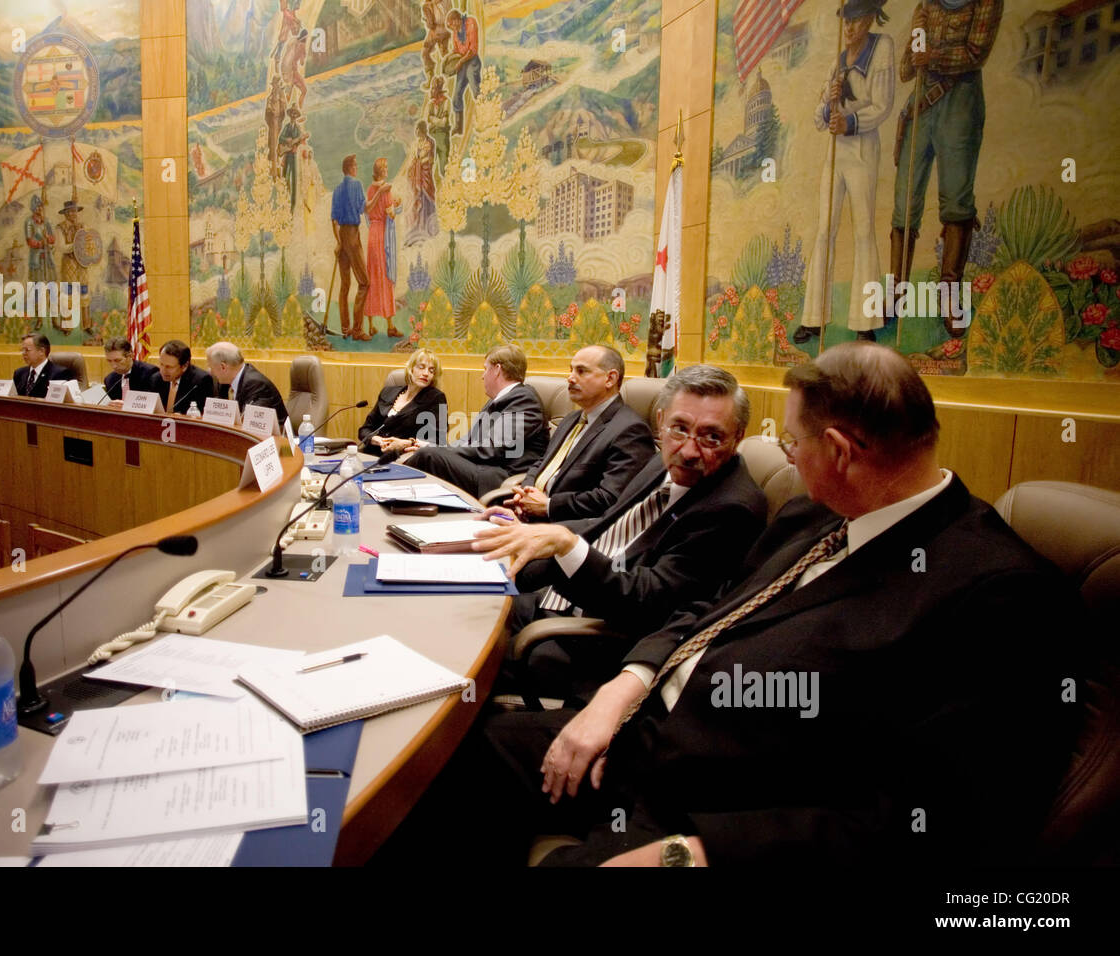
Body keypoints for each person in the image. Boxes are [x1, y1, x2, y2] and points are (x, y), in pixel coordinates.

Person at [403, 342, 1079, 866]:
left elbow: (940, 821)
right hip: (641, 734)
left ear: (839, 451)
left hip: (718, 810)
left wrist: (699, 852)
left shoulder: (999, 596)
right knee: (448, 762)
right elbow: (707, 612)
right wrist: (621, 692)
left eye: (792, 442)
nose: (783, 458)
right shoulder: (818, 515)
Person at [475, 365, 767, 700]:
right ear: (660, 421)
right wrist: (533, 532)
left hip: (594, 641)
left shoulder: (732, 509)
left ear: (738, 436)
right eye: (679, 428)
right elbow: (608, 524)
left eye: (711, 436)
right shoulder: (661, 461)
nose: (688, 451)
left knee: (465, 669)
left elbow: (648, 600)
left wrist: (566, 545)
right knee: (466, 610)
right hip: (562, 594)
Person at [890, 0, 1002, 338]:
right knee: (904, 203)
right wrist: (917, 44)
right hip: (922, 104)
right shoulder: (927, 4)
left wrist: (933, 57)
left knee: (956, 200)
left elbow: (976, 52)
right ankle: (896, 292)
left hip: (960, 103)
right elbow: (907, 70)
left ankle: (949, 297)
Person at [795, 0, 894, 344]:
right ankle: (814, 318)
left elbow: (882, 105)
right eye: (846, 21)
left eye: (857, 19)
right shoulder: (838, 63)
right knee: (825, 229)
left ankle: (865, 323)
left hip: (863, 148)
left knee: (864, 229)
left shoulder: (881, 49)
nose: (850, 27)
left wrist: (850, 121)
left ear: (870, 19)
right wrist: (828, 105)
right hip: (835, 152)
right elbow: (818, 118)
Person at [503, 346, 655, 523]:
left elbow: (611, 499)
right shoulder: (571, 419)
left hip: (568, 531)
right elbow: (542, 463)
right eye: (571, 370)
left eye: (581, 371)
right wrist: (526, 493)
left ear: (610, 378)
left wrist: (548, 506)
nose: (570, 378)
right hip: (529, 517)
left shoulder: (630, 430)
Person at [407, 345, 550, 498]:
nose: (482, 376)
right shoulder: (497, 400)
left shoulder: (525, 400)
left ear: (497, 370)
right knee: (428, 452)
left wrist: (437, 450)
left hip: (498, 476)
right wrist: (436, 446)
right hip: (482, 467)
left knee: (429, 456)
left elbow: (489, 448)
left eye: (485, 369)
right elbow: (469, 439)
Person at [359, 348, 449, 452]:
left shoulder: (436, 398)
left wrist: (406, 443)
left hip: (405, 456)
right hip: (373, 451)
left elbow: (438, 441)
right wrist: (377, 440)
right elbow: (364, 430)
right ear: (411, 369)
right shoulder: (387, 392)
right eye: (421, 367)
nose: (426, 373)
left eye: (431, 371)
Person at [331, 154, 369, 341]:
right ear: (351, 168)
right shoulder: (357, 185)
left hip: (342, 237)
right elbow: (364, 208)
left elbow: (334, 220)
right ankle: (357, 330)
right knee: (364, 282)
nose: (357, 167)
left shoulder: (337, 190)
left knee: (345, 285)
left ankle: (345, 329)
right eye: (356, 165)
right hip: (353, 235)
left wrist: (338, 242)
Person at [364, 157, 402, 339]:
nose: (387, 170)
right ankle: (390, 326)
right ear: (381, 171)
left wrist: (392, 204)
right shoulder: (385, 189)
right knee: (385, 277)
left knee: (372, 276)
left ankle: (370, 325)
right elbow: (391, 214)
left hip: (373, 233)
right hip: (382, 235)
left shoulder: (371, 189)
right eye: (385, 167)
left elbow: (370, 211)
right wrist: (397, 206)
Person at [204, 341, 288, 422]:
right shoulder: (224, 382)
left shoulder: (256, 385)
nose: (210, 372)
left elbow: (251, 423)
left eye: (211, 367)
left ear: (223, 367)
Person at [154, 340, 213, 416]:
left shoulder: (200, 381)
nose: (163, 371)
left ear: (184, 366)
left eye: (169, 367)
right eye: (161, 364)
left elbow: (203, 414)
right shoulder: (156, 378)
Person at [446, 8, 481, 135]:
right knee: (456, 96)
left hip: (472, 62)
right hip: (462, 63)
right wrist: (450, 58)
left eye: (452, 25)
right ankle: (458, 126)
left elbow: (472, 50)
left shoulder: (470, 23)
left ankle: (484, 117)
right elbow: (456, 50)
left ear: (456, 20)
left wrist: (460, 62)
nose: (452, 29)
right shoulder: (455, 32)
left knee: (476, 90)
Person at [406, 121, 439, 244]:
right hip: (418, 176)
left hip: (425, 177)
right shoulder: (417, 143)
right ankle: (418, 227)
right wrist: (414, 165)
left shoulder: (430, 142)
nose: (416, 132)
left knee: (426, 200)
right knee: (418, 200)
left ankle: (428, 228)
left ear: (422, 130)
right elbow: (415, 158)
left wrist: (418, 162)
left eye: (418, 130)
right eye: (416, 130)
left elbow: (427, 159)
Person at [13, 333, 75, 398]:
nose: (23, 353)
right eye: (22, 350)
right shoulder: (19, 373)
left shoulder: (59, 374)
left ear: (41, 351)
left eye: (27, 350)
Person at [102, 336, 159, 401]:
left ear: (131, 355)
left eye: (118, 360)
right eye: (109, 361)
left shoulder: (150, 374)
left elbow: (152, 404)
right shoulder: (110, 380)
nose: (114, 366)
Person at [24, 193, 57, 284]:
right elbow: (30, 241)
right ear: (33, 208)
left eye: (41, 206)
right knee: (38, 284)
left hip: (48, 255)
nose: (39, 208)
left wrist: (48, 238)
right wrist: (41, 243)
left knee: (51, 282)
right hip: (36, 256)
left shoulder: (47, 221)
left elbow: (53, 238)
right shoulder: (29, 222)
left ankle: (51, 298)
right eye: (37, 207)